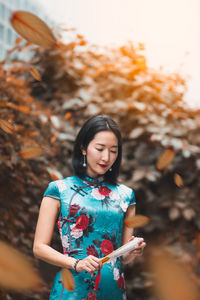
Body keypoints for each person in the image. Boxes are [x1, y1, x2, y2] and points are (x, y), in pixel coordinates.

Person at [33, 115, 146, 300]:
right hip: (72, 289)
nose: (106, 157)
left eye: (113, 151)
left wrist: (132, 251)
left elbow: (123, 258)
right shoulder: (59, 190)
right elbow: (39, 247)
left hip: (114, 290)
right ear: (83, 148)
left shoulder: (126, 195)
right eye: (100, 149)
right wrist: (76, 263)